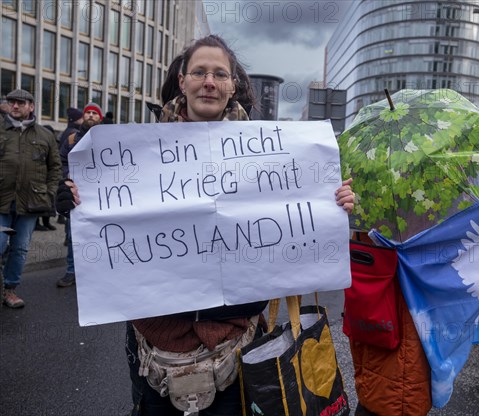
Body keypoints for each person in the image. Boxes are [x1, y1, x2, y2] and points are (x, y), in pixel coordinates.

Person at [56, 35, 355, 415]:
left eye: (219, 73)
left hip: (236, 345)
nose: (209, 81)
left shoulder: (272, 154)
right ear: (182, 81)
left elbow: (299, 217)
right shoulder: (130, 152)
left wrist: (333, 203)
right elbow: (105, 216)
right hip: (156, 347)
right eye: (199, 72)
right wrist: (73, 201)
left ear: (233, 86)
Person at [0, 89, 61, 308]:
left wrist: (49, 192)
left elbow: (55, 167)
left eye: (20, 102)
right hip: (2, 202)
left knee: (20, 247)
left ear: (31, 106)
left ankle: (10, 289)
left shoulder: (45, 135)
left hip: (31, 203)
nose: (15, 106)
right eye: (11, 102)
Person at [56, 103, 103, 288]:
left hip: (101, 197)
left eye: (94, 113)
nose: (91, 115)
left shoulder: (109, 138)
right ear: (83, 117)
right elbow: (62, 161)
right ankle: (71, 271)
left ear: (99, 118)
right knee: (74, 235)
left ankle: (96, 272)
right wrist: (68, 177)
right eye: (88, 113)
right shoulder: (71, 139)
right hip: (76, 196)